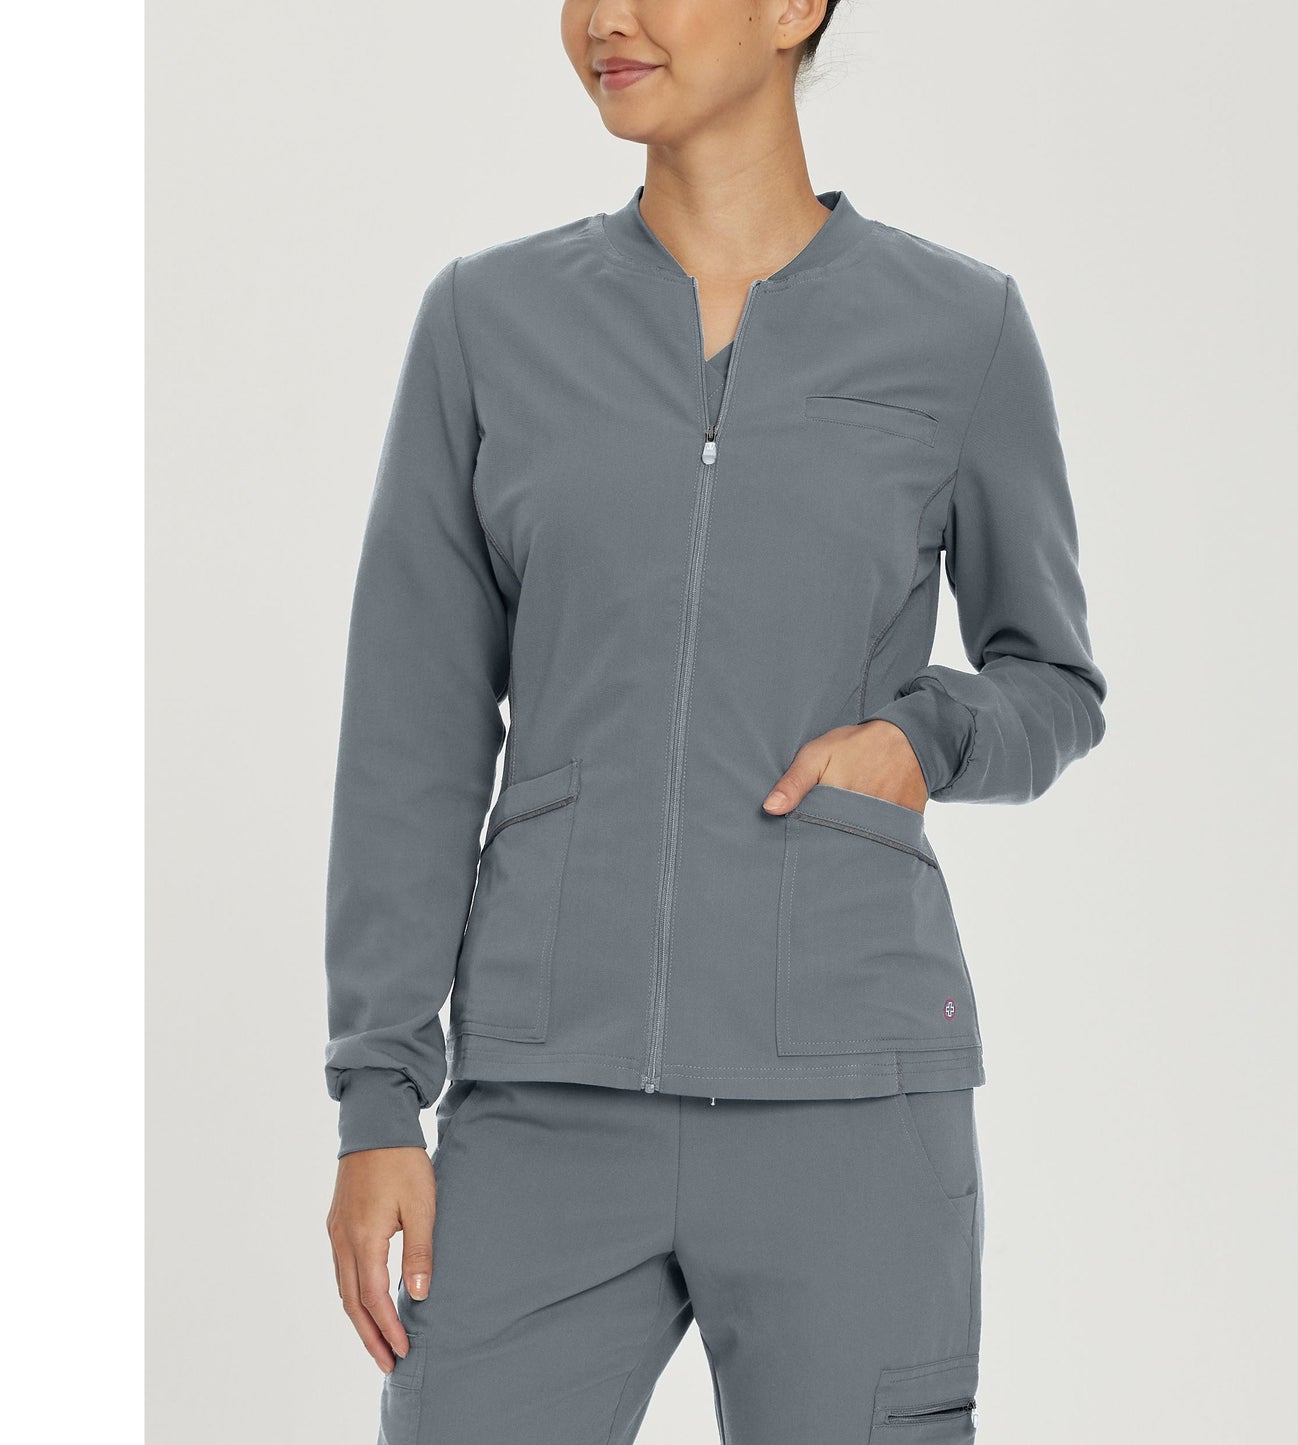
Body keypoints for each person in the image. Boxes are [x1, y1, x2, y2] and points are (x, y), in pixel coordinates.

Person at [323, 2, 1107, 1440]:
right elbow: (409, 732)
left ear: (794, 6)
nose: (603, 19)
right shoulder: (488, 324)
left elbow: (1053, 678)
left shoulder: (960, 330)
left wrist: (922, 738)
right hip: (544, 1093)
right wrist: (379, 1096)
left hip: (849, 1097)